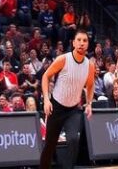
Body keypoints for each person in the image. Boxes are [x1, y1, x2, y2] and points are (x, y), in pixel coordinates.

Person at [39, 28, 95, 169]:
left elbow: (90, 85)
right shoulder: (63, 59)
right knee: (50, 145)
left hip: (73, 110)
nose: (82, 43)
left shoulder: (89, 65)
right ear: (73, 43)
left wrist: (89, 104)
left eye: (85, 41)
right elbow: (45, 76)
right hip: (56, 107)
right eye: (79, 40)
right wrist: (46, 99)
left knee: (73, 139)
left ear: (88, 44)